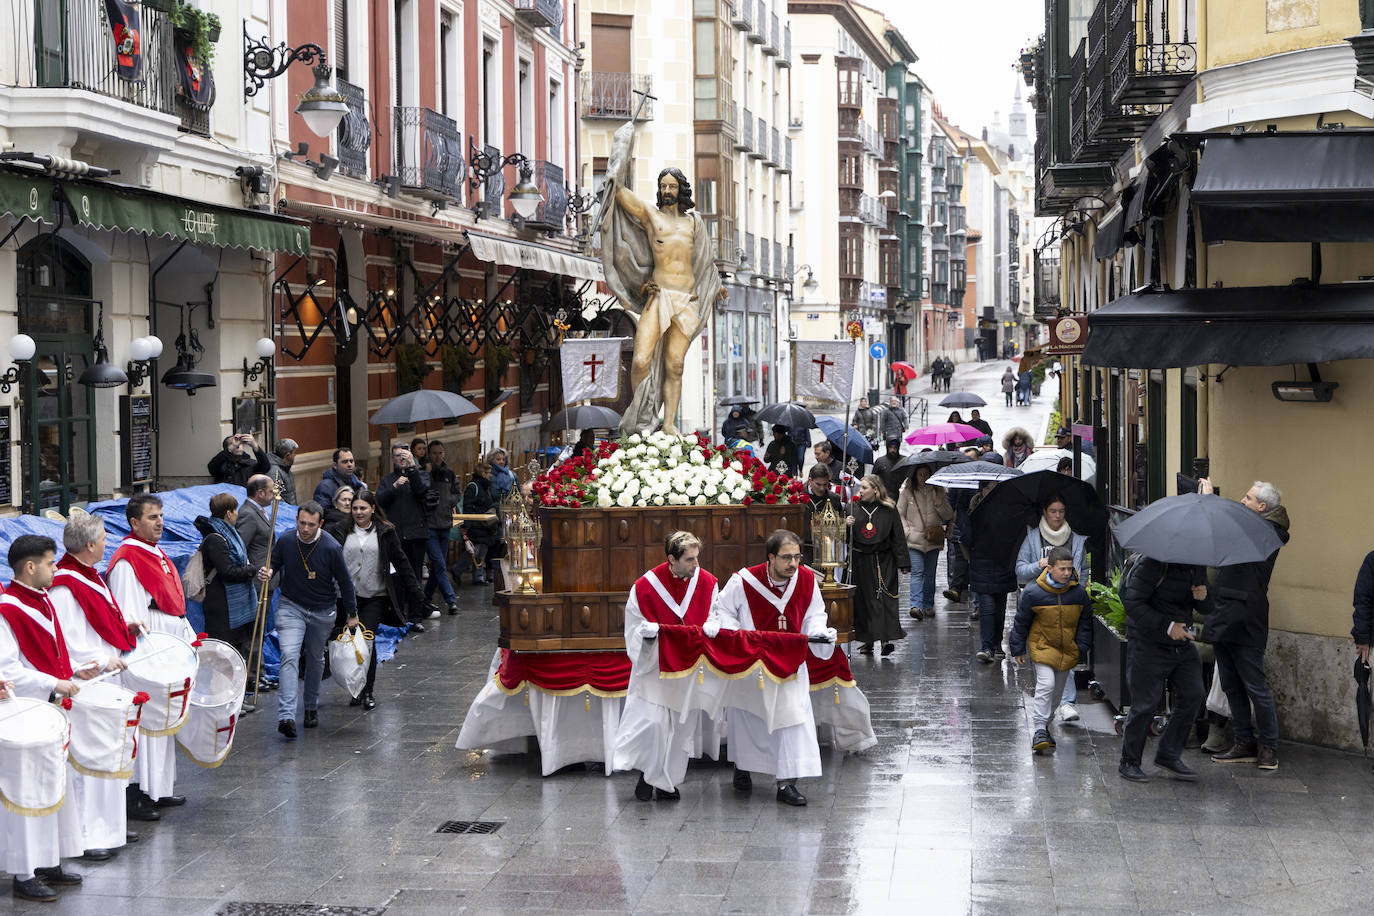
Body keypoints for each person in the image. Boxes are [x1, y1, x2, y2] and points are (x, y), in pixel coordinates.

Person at [711, 530, 837, 806]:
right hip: (753, 666)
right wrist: (736, 637)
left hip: (790, 664)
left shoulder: (806, 580)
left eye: (797, 556)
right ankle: (742, 765)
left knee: (793, 718)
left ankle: (787, 782)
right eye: (786, 558)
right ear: (771, 557)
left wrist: (820, 632)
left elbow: (815, 614)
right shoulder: (743, 581)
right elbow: (723, 612)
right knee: (749, 720)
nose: (793, 563)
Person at [600, 151, 720, 436]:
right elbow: (619, 193)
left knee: (675, 364)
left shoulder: (695, 223)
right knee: (641, 359)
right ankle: (642, 417)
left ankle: (668, 425)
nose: (667, 191)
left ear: (681, 190)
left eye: (672, 186)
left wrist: (716, 285)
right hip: (660, 295)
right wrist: (620, 158)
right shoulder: (651, 216)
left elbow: (704, 262)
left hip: (687, 297)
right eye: (663, 186)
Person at [0, 535, 90, 902]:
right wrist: (55, 683)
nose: (57, 568)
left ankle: (48, 860)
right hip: (23, 714)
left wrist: (78, 671)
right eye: (52, 563)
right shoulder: (7, 609)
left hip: (49, 708)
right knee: (28, 790)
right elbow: (9, 670)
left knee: (55, 784)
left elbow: (53, 652)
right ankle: (23, 871)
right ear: (30, 566)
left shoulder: (42, 601)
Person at [48, 516, 137, 862]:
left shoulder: (88, 575)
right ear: (88, 545)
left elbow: (97, 621)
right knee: (87, 759)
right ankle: (86, 833)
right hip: (85, 683)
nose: (105, 543)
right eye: (102, 538)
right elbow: (68, 639)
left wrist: (124, 624)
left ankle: (109, 825)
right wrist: (100, 661)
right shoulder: (65, 585)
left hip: (103, 679)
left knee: (107, 752)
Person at [615, 531, 722, 801]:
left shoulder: (708, 583)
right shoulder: (645, 586)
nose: (696, 565)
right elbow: (633, 628)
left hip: (687, 669)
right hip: (654, 669)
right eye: (689, 559)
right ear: (671, 559)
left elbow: (715, 614)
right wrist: (646, 635)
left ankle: (665, 782)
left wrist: (713, 625)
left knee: (680, 730)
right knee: (653, 725)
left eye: (697, 558)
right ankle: (650, 774)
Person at [107, 493, 194, 818]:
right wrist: (147, 657)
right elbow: (130, 616)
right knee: (146, 724)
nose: (160, 522)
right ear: (134, 522)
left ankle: (158, 789)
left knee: (163, 722)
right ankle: (138, 794)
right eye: (152, 517)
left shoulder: (154, 552)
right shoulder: (129, 560)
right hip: (148, 654)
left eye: (160, 516)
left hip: (167, 647)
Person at [1199, 478, 1290, 771]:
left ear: (1261, 507)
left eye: (1248, 498)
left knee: (1254, 685)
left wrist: (1211, 500)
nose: (1242, 501)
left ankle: (1269, 747)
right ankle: (1243, 741)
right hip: (1224, 611)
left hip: (1246, 617)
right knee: (1231, 684)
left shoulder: (1267, 531)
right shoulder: (1252, 526)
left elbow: (1231, 526)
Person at [327, 492, 423, 711]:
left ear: (372, 508)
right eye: (355, 508)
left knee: (366, 641)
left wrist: (416, 591)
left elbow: (401, 561)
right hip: (345, 597)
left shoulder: (385, 532)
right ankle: (355, 686)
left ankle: (367, 690)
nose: (359, 512)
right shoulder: (340, 531)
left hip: (374, 596)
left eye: (363, 508)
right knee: (350, 643)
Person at [1117, 556, 1208, 783]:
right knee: (1145, 703)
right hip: (1148, 642)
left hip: (1181, 643)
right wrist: (1167, 626)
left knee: (1194, 694)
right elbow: (1133, 603)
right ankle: (1129, 761)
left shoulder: (1196, 563)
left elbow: (1205, 607)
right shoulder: (1152, 563)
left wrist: (1204, 597)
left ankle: (1168, 753)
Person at [270, 500, 356, 738]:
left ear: (321, 523)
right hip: (291, 606)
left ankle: (310, 706)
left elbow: (345, 582)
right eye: (301, 523)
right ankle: (286, 716)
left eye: (310, 524)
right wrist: (267, 572)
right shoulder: (287, 540)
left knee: (316, 658)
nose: (304, 529)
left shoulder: (331, 547)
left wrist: (352, 613)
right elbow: (274, 564)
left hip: (322, 610)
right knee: (289, 655)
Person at [1010, 546, 1092, 754]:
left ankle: (1044, 727)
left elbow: (1085, 623)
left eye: (1069, 569)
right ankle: (1039, 728)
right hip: (1042, 646)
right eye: (1062, 569)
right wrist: (1018, 648)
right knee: (1046, 685)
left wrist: (1081, 647)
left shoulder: (1079, 593)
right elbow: (1021, 622)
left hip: (1067, 650)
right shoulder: (1033, 592)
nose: (1066, 573)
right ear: (1050, 568)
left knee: (1057, 695)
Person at [1015, 497, 1091, 720]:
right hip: (1040, 606)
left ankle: (1065, 703)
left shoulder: (1075, 539)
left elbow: (1083, 569)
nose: (1058, 516)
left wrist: (1079, 589)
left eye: (1061, 511)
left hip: (1068, 602)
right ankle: (1047, 713)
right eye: (1053, 511)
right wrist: (1037, 566)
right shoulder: (1032, 538)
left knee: (1065, 646)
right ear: (1045, 512)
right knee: (1048, 656)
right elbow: (1019, 571)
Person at [194, 494, 270, 683]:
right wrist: (252, 569)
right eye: (235, 510)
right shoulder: (216, 539)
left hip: (232, 605)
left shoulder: (228, 534)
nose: (237, 514)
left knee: (235, 652)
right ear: (228, 513)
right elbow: (227, 571)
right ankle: (223, 695)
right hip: (221, 605)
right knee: (223, 654)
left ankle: (236, 694)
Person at [847, 475, 909, 656]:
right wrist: (846, 525)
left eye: (864, 488)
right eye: (860, 488)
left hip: (883, 561)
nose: (860, 491)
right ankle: (867, 641)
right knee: (863, 601)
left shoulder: (889, 509)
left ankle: (885, 641)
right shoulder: (853, 508)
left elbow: (898, 536)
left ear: (875, 489)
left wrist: (903, 562)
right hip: (861, 561)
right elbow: (844, 539)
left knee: (883, 600)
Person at [377, 444, 432, 623]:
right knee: (396, 577)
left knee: (415, 576)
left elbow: (422, 490)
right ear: (392, 459)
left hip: (416, 534)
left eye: (404, 455)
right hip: (395, 535)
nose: (401, 459)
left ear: (411, 456)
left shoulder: (421, 474)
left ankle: (416, 617)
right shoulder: (387, 479)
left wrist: (411, 470)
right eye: (397, 456)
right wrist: (394, 486)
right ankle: (399, 615)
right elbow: (379, 500)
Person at [966, 480, 1017, 661]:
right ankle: (987, 647)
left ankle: (996, 643)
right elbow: (966, 538)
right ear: (983, 489)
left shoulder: (1009, 509)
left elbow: (1015, 535)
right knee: (987, 607)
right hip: (982, 565)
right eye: (989, 487)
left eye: (996, 487)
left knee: (999, 608)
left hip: (1003, 564)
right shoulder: (974, 510)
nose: (992, 491)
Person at [898, 465, 954, 622]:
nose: (923, 477)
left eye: (926, 474)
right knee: (917, 572)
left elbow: (948, 514)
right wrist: (907, 532)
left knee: (930, 574)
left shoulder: (939, 491)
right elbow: (900, 513)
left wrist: (939, 503)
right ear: (915, 475)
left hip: (933, 539)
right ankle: (915, 606)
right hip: (914, 540)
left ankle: (928, 604)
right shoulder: (907, 492)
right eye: (920, 474)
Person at [422, 441, 460, 616]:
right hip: (429, 525)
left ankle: (426, 597)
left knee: (439, 566)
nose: (438, 456)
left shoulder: (449, 473)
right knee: (438, 563)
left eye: (440, 452)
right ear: (429, 454)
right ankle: (450, 600)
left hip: (445, 523)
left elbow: (457, 492)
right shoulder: (424, 473)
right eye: (435, 453)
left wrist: (449, 501)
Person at [459, 460, 502, 586]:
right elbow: (467, 506)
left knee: (481, 550)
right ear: (483, 473)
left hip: (484, 525)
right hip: (476, 524)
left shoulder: (485, 486)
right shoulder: (474, 486)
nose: (490, 475)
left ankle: (478, 577)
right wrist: (467, 525)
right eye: (488, 473)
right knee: (475, 550)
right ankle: (458, 569)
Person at [800, 465, 843, 567]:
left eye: (825, 484)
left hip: (824, 551)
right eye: (818, 484)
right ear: (810, 480)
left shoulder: (834, 499)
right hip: (802, 548)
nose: (822, 488)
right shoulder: (798, 496)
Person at [266, 438, 299, 505]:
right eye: (294, 453)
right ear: (287, 455)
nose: (295, 455)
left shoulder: (285, 467)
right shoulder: (274, 472)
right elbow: (275, 498)